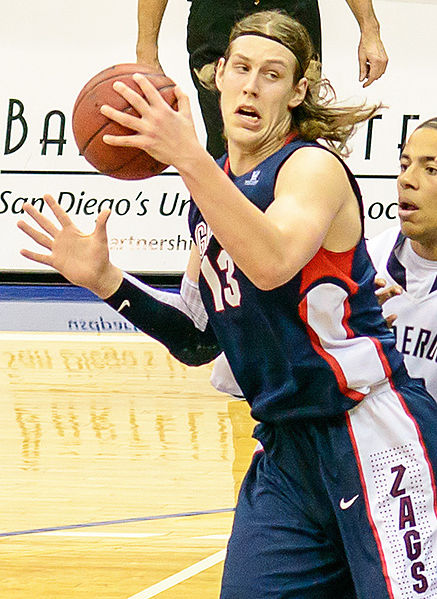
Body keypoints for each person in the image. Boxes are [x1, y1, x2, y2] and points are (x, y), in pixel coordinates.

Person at [18, 11, 437, 598]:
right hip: (286, 452)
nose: (251, 84)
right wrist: (107, 280)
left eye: (272, 75)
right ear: (216, 76)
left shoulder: (309, 169)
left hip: (369, 433)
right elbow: (197, 337)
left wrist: (188, 158)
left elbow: (270, 262)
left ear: (296, 94)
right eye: (240, 68)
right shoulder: (211, 191)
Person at [137, 0, 388, 158]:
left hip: (292, 11)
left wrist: (370, 29)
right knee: (226, 140)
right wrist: (146, 52)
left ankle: (289, 232)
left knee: (295, 137)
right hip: (218, 17)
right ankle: (220, 237)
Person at [367, 117, 437, 402]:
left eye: (431, 169)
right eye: (404, 165)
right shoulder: (368, 263)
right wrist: (350, 344)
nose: (406, 180)